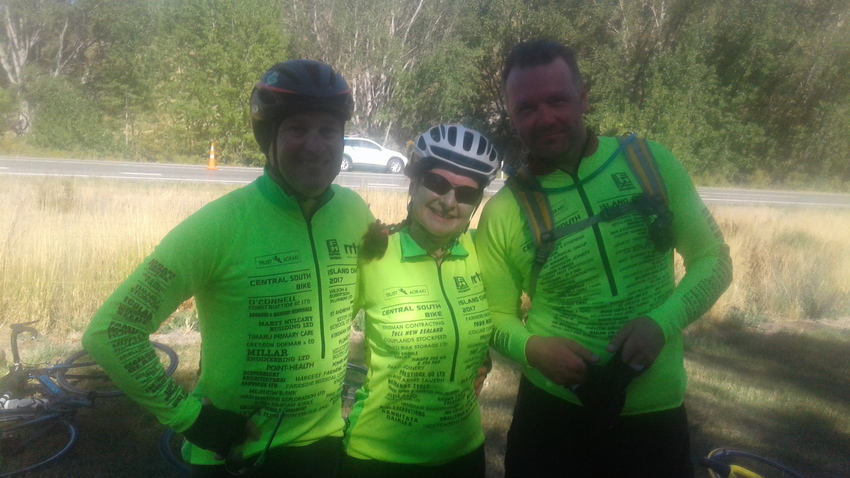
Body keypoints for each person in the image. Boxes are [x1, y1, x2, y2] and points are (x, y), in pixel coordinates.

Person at [82, 59, 375, 477]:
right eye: (297, 129)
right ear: (269, 139)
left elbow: (369, 299)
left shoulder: (354, 212)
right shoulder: (220, 224)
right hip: (235, 454)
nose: (315, 146)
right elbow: (112, 332)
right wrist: (191, 419)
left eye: (328, 131)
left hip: (325, 445)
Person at [475, 40, 733, 477]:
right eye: (527, 108)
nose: (545, 118)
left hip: (654, 417)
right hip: (551, 417)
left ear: (583, 97)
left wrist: (662, 323)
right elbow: (493, 315)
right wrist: (532, 349)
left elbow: (714, 261)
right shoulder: (504, 210)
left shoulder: (650, 163)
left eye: (557, 100)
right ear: (512, 117)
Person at [341, 125, 500, 478]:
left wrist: (478, 357)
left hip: (464, 454)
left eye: (466, 193)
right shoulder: (374, 254)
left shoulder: (482, 253)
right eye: (437, 183)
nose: (448, 201)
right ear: (414, 184)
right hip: (379, 459)